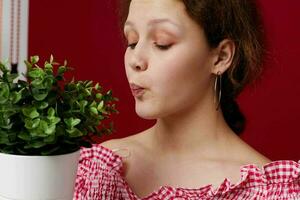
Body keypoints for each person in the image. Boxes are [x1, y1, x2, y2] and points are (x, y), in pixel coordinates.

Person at [73, 0, 300, 199]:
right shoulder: (98, 171)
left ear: (221, 57)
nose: (136, 60)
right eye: (132, 42)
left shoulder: (272, 192)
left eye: (162, 43)